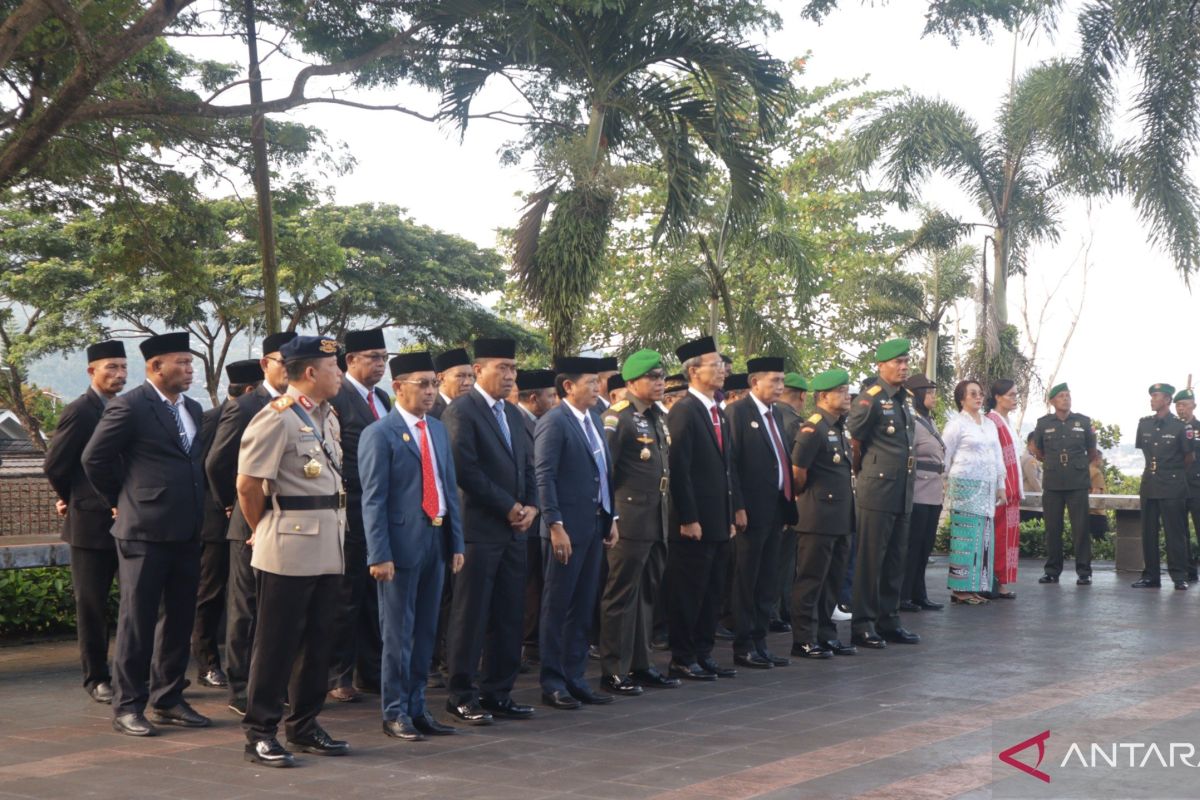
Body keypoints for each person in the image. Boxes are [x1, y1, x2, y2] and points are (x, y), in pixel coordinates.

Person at [82, 332, 209, 736]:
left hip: (187, 529)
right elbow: (93, 458)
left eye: (191, 363)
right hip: (144, 531)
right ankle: (128, 704)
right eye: (182, 363)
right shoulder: (130, 406)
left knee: (179, 617)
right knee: (137, 621)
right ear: (155, 367)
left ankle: (168, 697)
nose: (190, 370)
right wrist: (122, 498)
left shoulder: (192, 407)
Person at [236, 334, 349, 767]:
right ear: (309, 373)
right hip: (287, 541)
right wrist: (261, 527)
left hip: (328, 542)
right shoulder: (276, 418)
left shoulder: (327, 416)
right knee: (276, 643)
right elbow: (247, 485)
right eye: (333, 367)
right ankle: (260, 731)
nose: (338, 373)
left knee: (320, 641)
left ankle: (304, 725)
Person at [360, 352, 465, 741]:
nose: (430, 391)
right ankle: (394, 711)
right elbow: (373, 499)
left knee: (425, 632)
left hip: (435, 540)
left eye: (434, 384)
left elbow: (446, 487)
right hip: (399, 547)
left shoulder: (436, 429)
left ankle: (418, 707)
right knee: (398, 634)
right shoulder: (380, 433)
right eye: (422, 383)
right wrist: (379, 553)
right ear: (398, 387)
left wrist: (456, 541)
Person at [441, 338, 538, 725]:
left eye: (513, 369)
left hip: (516, 530)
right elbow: (465, 469)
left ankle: (499, 691)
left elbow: (527, 467)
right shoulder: (462, 411)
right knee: (471, 612)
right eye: (503, 368)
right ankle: (461, 693)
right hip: (479, 530)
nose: (510, 375)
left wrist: (532, 505)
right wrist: (508, 505)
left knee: (509, 613)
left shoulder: (513, 415)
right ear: (479, 370)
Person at [205, 331, 296, 715]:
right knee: (245, 607)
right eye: (282, 362)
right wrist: (232, 505)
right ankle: (241, 687)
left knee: (281, 609)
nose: (289, 370)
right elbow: (217, 463)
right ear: (265, 365)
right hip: (250, 522)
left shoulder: (302, 406)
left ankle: (273, 683)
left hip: (290, 522)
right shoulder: (246, 406)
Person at [43, 340, 128, 705]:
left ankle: (132, 673)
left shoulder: (126, 407)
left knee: (135, 603)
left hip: (128, 522)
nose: (119, 374)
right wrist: (73, 497)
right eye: (111, 367)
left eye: (123, 367)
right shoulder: (81, 410)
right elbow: (55, 465)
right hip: (89, 526)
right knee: (92, 605)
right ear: (92, 371)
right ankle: (96, 677)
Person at [534, 357, 618, 709]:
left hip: (593, 523)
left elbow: (602, 472)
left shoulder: (594, 421)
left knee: (583, 606)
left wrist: (611, 516)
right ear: (568, 386)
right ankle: (553, 681)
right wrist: (555, 524)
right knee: (559, 605)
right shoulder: (555, 422)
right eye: (591, 382)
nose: (598, 388)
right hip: (565, 529)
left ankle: (575, 676)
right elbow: (544, 476)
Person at [598, 350, 680, 693]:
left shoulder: (657, 416)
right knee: (622, 593)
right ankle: (614, 668)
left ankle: (641, 663)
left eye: (661, 376)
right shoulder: (619, 418)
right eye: (653, 377)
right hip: (629, 518)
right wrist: (611, 517)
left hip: (656, 516)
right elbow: (606, 472)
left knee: (647, 593)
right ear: (631, 382)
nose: (660, 383)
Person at [665, 336, 740, 681]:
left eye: (723, 363)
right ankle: (682, 655)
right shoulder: (685, 410)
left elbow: (727, 468)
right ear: (694, 371)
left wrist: (731, 512)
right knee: (689, 591)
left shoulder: (718, 413)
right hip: (693, 522)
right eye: (715, 364)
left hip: (718, 519)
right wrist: (688, 517)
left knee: (712, 590)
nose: (723, 369)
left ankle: (704, 651)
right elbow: (679, 469)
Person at [327, 328, 392, 702]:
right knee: (347, 592)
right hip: (351, 506)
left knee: (374, 593)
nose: (380, 364)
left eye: (384, 357)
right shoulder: (339, 396)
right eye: (372, 357)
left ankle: (372, 670)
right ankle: (339, 674)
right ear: (350, 360)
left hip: (380, 508)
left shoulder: (382, 397)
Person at [192, 359, 263, 691]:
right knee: (212, 591)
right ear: (249, 390)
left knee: (244, 595)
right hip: (215, 517)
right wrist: (227, 501)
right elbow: (206, 466)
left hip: (240, 513)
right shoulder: (212, 418)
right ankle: (206, 661)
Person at [847, 339, 919, 648]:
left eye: (905, 361)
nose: (903, 367)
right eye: (897, 362)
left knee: (895, 558)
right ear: (880, 366)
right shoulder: (871, 398)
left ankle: (889, 620)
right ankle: (863, 623)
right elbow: (853, 440)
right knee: (870, 559)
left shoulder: (906, 398)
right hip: (877, 488)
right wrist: (864, 472)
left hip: (901, 489)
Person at [726, 356, 796, 669]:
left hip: (776, 509)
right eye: (774, 381)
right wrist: (737, 506)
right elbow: (731, 465)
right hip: (750, 511)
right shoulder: (738, 412)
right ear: (755, 382)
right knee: (747, 579)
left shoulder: (777, 414)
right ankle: (743, 646)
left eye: (782, 381)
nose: (780, 387)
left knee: (768, 579)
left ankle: (760, 641)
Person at [789, 368, 856, 659]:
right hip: (817, 517)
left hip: (839, 517)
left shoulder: (839, 426)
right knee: (811, 580)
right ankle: (803, 638)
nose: (847, 396)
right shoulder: (812, 428)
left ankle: (826, 635)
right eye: (841, 392)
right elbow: (797, 473)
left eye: (846, 390)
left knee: (832, 580)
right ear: (823, 396)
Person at [942, 380, 1006, 605]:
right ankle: (960, 590)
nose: (978, 397)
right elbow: (945, 454)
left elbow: (997, 455)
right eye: (972, 394)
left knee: (983, 537)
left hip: (987, 486)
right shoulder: (956, 424)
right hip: (965, 486)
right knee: (966, 537)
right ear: (962, 399)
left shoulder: (988, 424)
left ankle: (975, 587)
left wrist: (1001, 485)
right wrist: (944, 482)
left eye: (980, 393)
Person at [1032, 383, 1099, 586]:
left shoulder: (1083, 421)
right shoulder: (1043, 423)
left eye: (1068, 395)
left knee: (1080, 528)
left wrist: (1076, 467)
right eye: (1061, 396)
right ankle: (1052, 571)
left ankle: (1084, 571)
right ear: (1052, 401)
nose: (1065, 399)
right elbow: (1038, 451)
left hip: (1077, 482)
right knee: (1053, 529)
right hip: (1053, 483)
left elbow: (1092, 451)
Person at [514, 368, 557, 666]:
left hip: (538, 514)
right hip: (521, 516)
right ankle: (528, 642)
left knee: (537, 583)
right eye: (551, 396)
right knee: (527, 584)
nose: (555, 401)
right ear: (533, 398)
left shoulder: (541, 422)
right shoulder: (517, 420)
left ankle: (533, 642)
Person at [1132, 382, 1194, 590]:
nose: (1152, 399)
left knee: (1175, 533)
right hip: (1150, 483)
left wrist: (1171, 473)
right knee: (1148, 532)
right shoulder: (1144, 424)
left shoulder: (1180, 426)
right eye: (1152, 396)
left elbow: (1188, 457)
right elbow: (1145, 452)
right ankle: (1151, 576)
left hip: (1173, 485)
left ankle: (1179, 576)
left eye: (1156, 396)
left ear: (1167, 400)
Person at [899, 373, 945, 612]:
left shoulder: (928, 420)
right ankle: (904, 595)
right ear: (916, 395)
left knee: (925, 546)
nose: (933, 397)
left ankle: (919, 593)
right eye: (929, 393)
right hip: (918, 488)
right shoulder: (911, 420)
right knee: (913, 545)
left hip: (934, 489)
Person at [771, 372, 808, 633]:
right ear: (803, 396)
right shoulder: (794, 422)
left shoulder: (772, 416)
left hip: (773, 497)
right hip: (789, 497)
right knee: (782, 560)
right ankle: (777, 610)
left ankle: (778, 610)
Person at [986, 379, 1022, 600]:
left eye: (1016, 394)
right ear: (998, 397)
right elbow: (994, 457)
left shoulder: (1005, 421)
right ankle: (994, 582)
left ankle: (1002, 582)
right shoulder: (991, 421)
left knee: (1008, 538)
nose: (1014, 399)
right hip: (1000, 490)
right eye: (1010, 395)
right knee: (998, 536)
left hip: (1012, 489)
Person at [1174, 388, 1200, 580]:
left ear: (1194, 405)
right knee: (1180, 531)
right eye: (1178, 405)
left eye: (1184, 404)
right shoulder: (1173, 428)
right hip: (1178, 486)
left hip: (1198, 486)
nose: (1180, 409)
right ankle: (1188, 570)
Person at [431, 348, 474, 420]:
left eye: (470, 376)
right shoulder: (429, 411)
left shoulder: (477, 408)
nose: (468, 382)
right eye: (460, 376)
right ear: (441, 378)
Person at [1019, 433, 1044, 523]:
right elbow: (1034, 480)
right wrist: (1043, 496)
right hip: (1031, 502)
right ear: (1032, 443)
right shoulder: (1029, 459)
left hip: (1031, 501)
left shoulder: (1029, 457)